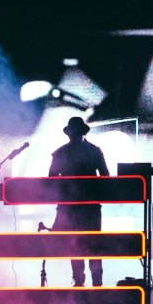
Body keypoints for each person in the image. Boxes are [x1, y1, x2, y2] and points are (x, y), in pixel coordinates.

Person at [48, 116, 110, 287]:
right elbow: (106, 177)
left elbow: (50, 181)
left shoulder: (61, 153)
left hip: (76, 207)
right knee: (81, 245)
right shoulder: (94, 151)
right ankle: (87, 283)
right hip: (84, 207)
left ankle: (89, 283)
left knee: (84, 245)